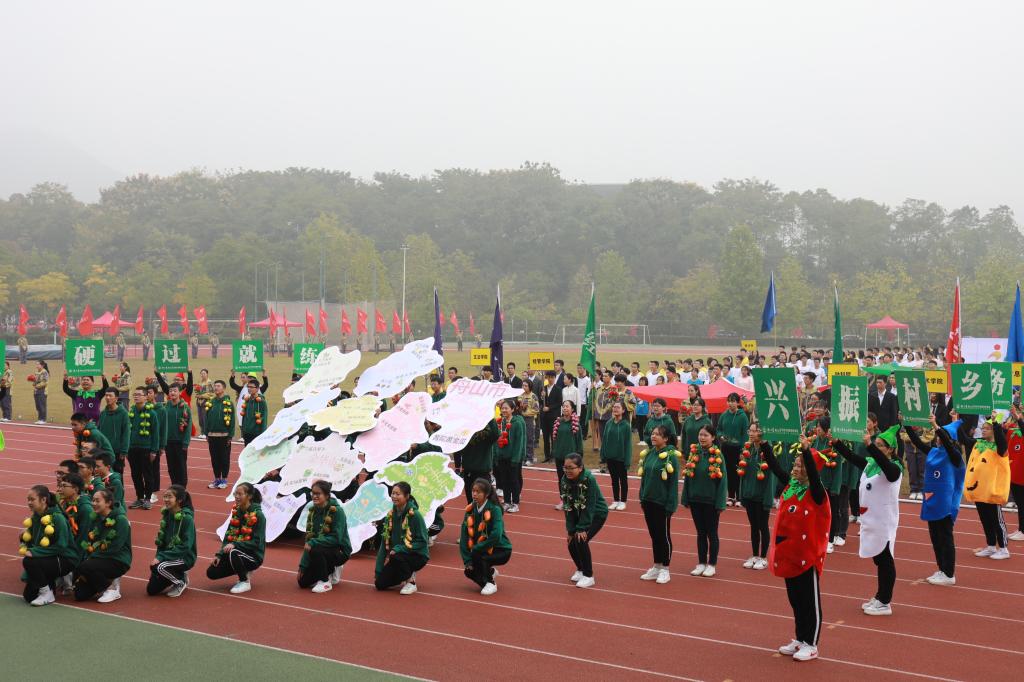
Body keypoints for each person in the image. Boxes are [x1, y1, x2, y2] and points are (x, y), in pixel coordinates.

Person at [764, 431, 831, 662]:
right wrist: (764, 444)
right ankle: (801, 638)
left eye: (800, 465)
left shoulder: (817, 493)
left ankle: (811, 644)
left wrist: (805, 450)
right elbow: (775, 467)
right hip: (789, 553)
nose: (795, 468)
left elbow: (812, 472)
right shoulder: (792, 486)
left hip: (807, 556)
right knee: (795, 599)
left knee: (809, 601)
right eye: (795, 463)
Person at [831, 425, 904, 616]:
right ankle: (880, 596)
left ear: (890, 449)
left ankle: (885, 602)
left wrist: (870, 446)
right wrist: (836, 443)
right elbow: (852, 457)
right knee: (879, 559)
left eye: (881, 445)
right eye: (876, 444)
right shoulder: (871, 464)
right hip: (870, 520)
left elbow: (889, 471)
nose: (877, 448)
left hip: (884, 521)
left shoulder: (894, 468)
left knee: (885, 560)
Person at [904, 415, 965, 584]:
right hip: (931, 502)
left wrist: (936, 426)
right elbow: (917, 442)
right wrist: (906, 424)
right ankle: (942, 569)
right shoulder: (934, 452)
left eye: (940, 436)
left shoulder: (954, 456)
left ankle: (949, 574)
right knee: (935, 538)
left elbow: (949, 445)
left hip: (945, 504)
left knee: (945, 537)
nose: (937, 438)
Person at [681, 423, 728, 577]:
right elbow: (688, 477)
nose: (702, 437)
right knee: (700, 533)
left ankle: (712, 564)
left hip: (711, 501)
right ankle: (701, 563)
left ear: (713, 437)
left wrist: (720, 503)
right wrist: (685, 497)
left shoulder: (718, 456)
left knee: (711, 533)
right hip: (696, 499)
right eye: (700, 434)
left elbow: (723, 482)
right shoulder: (693, 452)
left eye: (706, 435)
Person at [962, 414, 1010, 559]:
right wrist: (955, 420)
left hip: (992, 491)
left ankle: (1004, 549)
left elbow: (1001, 440)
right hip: (979, 490)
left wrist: (995, 422)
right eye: (982, 428)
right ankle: (991, 546)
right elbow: (963, 439)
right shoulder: (978, 443)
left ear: (994, 431)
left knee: (996, 520)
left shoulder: (1000, 448)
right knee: (985, 519)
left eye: (987, 429)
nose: (983, 430)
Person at [19, 484, 76, 606]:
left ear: (43, 499)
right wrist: (24, 538)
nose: (29, 502)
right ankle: (49, 585)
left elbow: (61, 546)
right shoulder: (36, 517)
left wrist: (35, 552)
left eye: (32, 499)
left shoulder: (58, 518)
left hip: (65, 558)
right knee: (29, 596)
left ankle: (47, 593)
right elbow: (35, 542)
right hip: (49, 558)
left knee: (29, 561)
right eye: (28, 499)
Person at [73, 488, 132, 603]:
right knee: (80, 594)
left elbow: (115, 547)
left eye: (97, 501)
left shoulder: (121, 520)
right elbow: (89, 542)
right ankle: (106, 579)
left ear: (108, 503)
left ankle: (111, 589)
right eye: (93, 500)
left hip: (117, 560)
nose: (93, 503)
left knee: (85, 566)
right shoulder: (95, 517)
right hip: (98, 558)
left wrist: (90, 559)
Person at [637, 425, 680, 584]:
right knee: (654, 535)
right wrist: (642, 496)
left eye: (657, 434)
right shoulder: (649, 454)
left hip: (662, 503)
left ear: (666, 438)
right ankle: (657, 566)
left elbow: (673, 484)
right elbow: (644, 477)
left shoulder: (670, 457)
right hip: (648, 501)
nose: (653, 436)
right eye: (653, 434)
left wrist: (671, 505)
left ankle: (665, 569)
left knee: (663, 536)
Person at [207, 482, 266, 594]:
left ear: (249, 496)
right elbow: (228, 536)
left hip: (253, 556)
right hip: (237, 551)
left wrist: (235, 544)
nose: (237, 497)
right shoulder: (236, 512)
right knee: (212, 572)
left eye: (240, 494)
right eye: (235, 494)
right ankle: (243, 568)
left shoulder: (258, 515)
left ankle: (244, 581)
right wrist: (219, 555)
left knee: (233, 552)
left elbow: (257, 542)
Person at [560, 453, 608, 588]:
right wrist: (571, 530)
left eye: (571, 468)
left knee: (581, 539)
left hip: (597, 513)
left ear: (580, 468)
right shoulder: (564, 480)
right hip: (578, 511)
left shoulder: (588, 480)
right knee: (571, 541)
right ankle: (580, 569)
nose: (567, 471)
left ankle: (588, 575)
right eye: (565, 467)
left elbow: (589, 506)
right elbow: (568, 506)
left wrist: (582, 528)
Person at [459, 478, 512, 595]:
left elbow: (496, 535)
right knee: (469, 572)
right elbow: (464, 536)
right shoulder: (470, 510)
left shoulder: (494, 509)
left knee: (480, 557)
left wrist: (477, 548)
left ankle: (490, 582)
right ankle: (489, 574)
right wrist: (467, 561)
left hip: (501, 549)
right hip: (481, 548)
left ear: (486, 494)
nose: (474, 494)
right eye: (473, 491)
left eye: (478, 492)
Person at [375, 482, 430, 594]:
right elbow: (384, 543)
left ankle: (411, 582)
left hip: (417, 555)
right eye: (393, 493)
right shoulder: (390, 515)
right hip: (398, 556)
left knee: (397, 556)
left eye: (398, 494)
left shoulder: (415, 515)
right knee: (380, 584)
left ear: (407, 496)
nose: (394, 496)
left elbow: (422, 542)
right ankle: (404, 573)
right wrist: (378, 570)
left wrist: (400, 548)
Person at [299, 480, 351, 592]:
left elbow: (336, 539)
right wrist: (303, 566)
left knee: (316, 549)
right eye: (313, 493)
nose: (314, 496)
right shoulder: (313, 512)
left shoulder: (337, 511)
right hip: (321, 549)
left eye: (318, 494)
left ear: (327, 496)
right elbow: (309, 539)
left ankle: (325, 582)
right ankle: (328, 569)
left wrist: (313, 542)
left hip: (339, 551)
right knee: (302, 583)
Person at [146, 484, 197, 597]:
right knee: (151, 590)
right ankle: (178, 573)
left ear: (179, 500)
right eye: (165, 496)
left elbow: (186, 546)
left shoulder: (186, 518)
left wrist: (161, 557)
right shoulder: (167, 515)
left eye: (169, 497)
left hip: (184, 557)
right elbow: (162, 541)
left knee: (159, 567)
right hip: (169, 555)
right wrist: (158, 556)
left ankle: (180, 581)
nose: (166, 499)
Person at [738, 423, 774, 570]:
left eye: (755, 431)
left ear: (762, 433)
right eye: (750, 431)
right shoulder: (748, 449)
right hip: (749, 494)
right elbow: (743, 473)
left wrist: (768, 498)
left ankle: (763, 557)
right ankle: (754, 555)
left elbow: (771, 478)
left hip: (761, 496)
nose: (752, 434)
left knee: (763, 526)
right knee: (753, 526)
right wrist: (742, 494)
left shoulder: (768, 451)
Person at [56, 473, 93, 594]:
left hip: (82, 551)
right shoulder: (63, 503)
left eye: (64, 486)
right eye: (60, 485)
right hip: (67, 546)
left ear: (75, 489)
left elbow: (83, 539)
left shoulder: (85, 509)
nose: (60, 489)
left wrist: (71, 561)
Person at [126, 387, 160, 509]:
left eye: (139, 394)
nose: (136, 396)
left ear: (145, 397)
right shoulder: (131, 412)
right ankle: (139, 498)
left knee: (147, 475)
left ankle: (147, 499)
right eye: (135, 394)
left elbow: (156, 433)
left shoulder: (152, 413)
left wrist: (154, 451)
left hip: (146, 449)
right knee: (135, 475)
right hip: (132, 449)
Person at [493, 398, 526, 513]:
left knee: (513, 480)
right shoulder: (500, 422)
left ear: (512, 409)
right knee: (504, 480)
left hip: (513, 458)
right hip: (502, 457)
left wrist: (516, 458)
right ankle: (507, 502)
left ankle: (515, 503)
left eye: (506, 408)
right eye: (502, 408)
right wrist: (496, 455)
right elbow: (497, 440)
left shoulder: (517, 423)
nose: (504, 410)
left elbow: (519, 442)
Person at [718, 393, 750, 506]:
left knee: (739, 472)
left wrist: (743, 450)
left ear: (737, 403)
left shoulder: (743, 416)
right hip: (726, 448)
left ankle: (739, 497)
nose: (730, 403)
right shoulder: (724, 415)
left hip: (738, 449)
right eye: (729, 401)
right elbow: (718, 429)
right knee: (728, 472)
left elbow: (745, 434)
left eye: (733, 401)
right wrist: (721, 436)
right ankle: (731, 496)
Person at [551, 400, 583, 510]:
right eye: (563, 406)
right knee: (561, 479)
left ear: (572, 409)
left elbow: (579, 441)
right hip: (559, 456)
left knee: (573, 479)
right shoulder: (558, 422)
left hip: (571, 458)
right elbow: (555, 439)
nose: (565, 408)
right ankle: (563, 500)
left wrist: (579, 455)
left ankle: (574, 500)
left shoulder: (576, 424)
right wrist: (555, 451)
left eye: (567, 406)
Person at [204, 380, 236, 489]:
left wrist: (230, 435)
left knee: (224, 459)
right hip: (212, 436)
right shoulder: (210, 402)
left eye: (218, 386)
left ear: (224, 388)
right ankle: (217, 479)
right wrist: (206, 433)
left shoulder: (228, 403)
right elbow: (206, 419)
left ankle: (224, 479)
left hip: (224, 436)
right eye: (215, 386)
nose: (216, 388)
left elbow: (232, 421)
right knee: (214, 459)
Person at [600, 401, 632, 510]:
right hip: (610, 457)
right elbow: (604, 440)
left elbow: (628, 444)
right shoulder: (609, 423)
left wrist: (627, 459)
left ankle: (623, 501)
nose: (615, 409)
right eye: (614, 407)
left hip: (621, 458)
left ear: (623, 410)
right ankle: (615, 500)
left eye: (618, 407)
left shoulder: (626, 425)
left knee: (623, 480)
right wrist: (603, 455)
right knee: (614, 480)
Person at [163, 383, 192, 487]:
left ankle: (182, 487)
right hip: (168, 442)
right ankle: (174, 486)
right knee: (171, 467)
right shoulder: (166, 407)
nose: (172, 393)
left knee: (181, 466)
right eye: (170, 391)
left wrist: (186, 443)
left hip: (180, 442)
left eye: (175, 391)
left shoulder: (184, 408)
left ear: (180, 392)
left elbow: (188, 426)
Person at [98, 388, 130, 474]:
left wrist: (124, 451)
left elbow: (126, 433)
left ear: (116, 398)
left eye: (110, 396)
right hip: (103, 451)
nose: (107, 398)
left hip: (117, 452)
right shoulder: (103, 413)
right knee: (103, 475)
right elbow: (99, 431)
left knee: (117, 476)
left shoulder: (123, 414)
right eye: (106, 396)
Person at [239, 378, 268, 445]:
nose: (249, 389)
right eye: (248, 387)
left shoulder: (261, 402)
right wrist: (243, 431)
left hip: (257, 434)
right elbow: (244, 417)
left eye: (251, 387)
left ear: (257, 389)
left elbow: (264, 417)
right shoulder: (247, 400)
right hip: (247, 433)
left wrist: (262, 434)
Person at [518, 380, 540, 465]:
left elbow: (536, 409)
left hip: (530, 419)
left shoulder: (533, 396)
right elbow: (518, 406)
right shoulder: (521, 395)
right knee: (522, 439)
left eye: (526, 386)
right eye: (523, 385)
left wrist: (526, 412)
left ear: (530, 387)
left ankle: (530, 459)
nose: (523, 387)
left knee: (529, 439)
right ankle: (523, 457)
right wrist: (521, 406)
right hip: (521, 418)